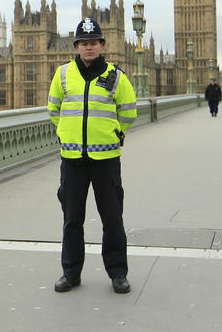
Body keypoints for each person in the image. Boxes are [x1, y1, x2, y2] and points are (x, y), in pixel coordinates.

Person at [47, 17, 137, 295]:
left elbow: (129, 111)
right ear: (76, 46)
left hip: (106, 159)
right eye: (83, 43)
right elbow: (54, 109)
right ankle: (70, 273)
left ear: (101, 45)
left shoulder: (116, 76)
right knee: (72, 219)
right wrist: (65, 134)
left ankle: (118, 273)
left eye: (93, 42)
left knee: (112, 219)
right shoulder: (62, 74)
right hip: (72, 159)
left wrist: (113, 134)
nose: (88, 47)